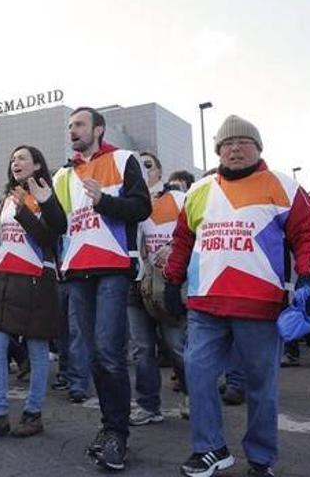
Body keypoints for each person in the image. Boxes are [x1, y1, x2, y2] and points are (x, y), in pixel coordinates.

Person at [164, 115, 310, 477]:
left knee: (261, 387)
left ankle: (260, 459)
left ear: (258, 148)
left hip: (260, 305)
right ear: (218, 150)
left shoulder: (282, 185)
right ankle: (210, 449)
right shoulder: (199, 191)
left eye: (243, 142)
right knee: (198, 374)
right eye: (227, 143)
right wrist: (170, 279)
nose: (235, 148)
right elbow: (182, 240)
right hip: (205, 303)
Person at [50, 107, 151, 470]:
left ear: (98, 129)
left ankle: (118, 436)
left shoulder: (123, 160)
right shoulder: (64, 173)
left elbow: (141, 207)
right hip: (77, 272)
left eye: (79, 124)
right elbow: (58, 224)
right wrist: (40, 203)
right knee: (92, 355)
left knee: (110, 352)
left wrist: (104, 201)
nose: (72, 130)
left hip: (112, 268)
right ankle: (109, 427)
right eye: (70, 126)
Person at [0, 145, 66, 439]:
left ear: (37, 164)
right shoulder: (8, 199)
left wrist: (27, 209)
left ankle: (33, 413)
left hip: (37, 280)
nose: (15, 162)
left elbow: (52, 234)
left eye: (22, 158)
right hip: (4, 280)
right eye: (12, 159)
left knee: (36, 348)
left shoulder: (46, 195)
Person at [128, 167, 193, 426]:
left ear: (159, 172)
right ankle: (148, 405)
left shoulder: (178, 200)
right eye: (138, 166)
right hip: (136, 284)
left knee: (176, 345)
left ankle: (193, 395)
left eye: (149, 166)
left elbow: (193, 232)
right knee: (142, 349)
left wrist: (174, 248)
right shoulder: (130, 203)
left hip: (166, 284)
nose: (143, 171)